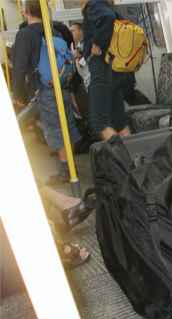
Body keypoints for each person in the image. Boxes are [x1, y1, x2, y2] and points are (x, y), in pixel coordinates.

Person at [12, 1, 81, 183]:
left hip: (45, 89)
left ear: (26, 12)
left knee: (55, 129)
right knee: (66, 126)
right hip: (63, 84)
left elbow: (19, 68)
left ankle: (66, 171)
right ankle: (71, 165)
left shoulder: (25, 34)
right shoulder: (57, 29)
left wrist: (19, 95)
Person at [81, 0, 131, 140]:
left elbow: (107, 18)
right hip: (113, 69)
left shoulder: (94, 4)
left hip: (101, 68)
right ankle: (133, 158)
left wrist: (97, 42)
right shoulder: (106, 4)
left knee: (99, 122)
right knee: (119, 122)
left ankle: (122, 160)